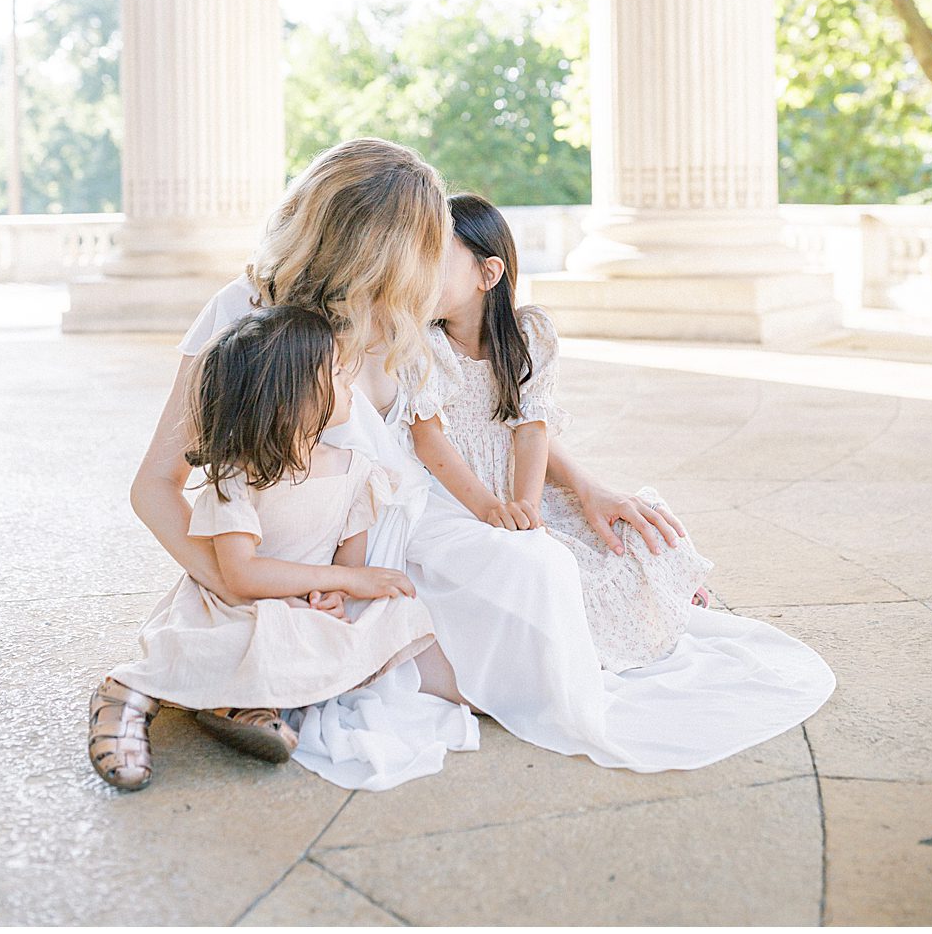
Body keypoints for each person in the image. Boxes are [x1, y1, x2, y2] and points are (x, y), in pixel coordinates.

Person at [96, 137, 834, 790]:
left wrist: (582, 482)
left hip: (401, 518)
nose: (426, 262)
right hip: (298, 531)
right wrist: (240, 580)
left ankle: (281, 674)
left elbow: (496, 416)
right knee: (412, 651)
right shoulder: (245, 314)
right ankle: (222, 670)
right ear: (364, 246)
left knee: (536, 584)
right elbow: (154, 486)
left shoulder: (395, 308)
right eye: (418, 242)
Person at [89, 304, 439, 791]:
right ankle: (129, 691)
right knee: (232, 635)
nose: (349, 380)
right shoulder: (239, 472)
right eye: (336, 372)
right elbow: (241, 575)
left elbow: (347, 561)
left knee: (385, 619)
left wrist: (334, 594)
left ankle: (239, 702)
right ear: (291, 396)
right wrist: (343, 580)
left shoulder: (357, 471)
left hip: (300, 608)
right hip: (234, 602)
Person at [398, 192, 713, 674]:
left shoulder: (529, 335)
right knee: (540, 569)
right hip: (459, 493)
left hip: (520, 485)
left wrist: (527, 509)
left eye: (434, 259)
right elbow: (428, 438)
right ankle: (614, 619)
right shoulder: (424, 343)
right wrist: (491, 509)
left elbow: (531, 428)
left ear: (489, 274)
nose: (418, 274)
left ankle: (658, 597)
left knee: (626, 533)